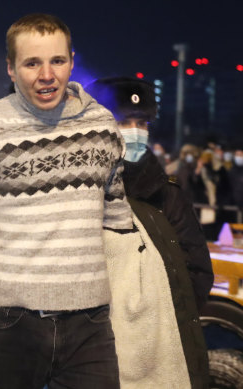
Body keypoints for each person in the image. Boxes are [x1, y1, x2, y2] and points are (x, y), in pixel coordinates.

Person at [0, 13, 133, 389]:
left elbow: (117, 218)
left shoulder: (102, 126)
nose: (47, 75)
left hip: (90, 324)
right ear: (11, 68)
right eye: (32, 63)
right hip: (12, 321)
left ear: (72, 61)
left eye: (57, 61)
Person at [85, 76, 213, 388]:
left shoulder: (168, 194)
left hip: (163, 356)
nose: (136, 131)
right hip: (99, 356)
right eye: (125, 121)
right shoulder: (78, 191)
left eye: (142, 123)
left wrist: (158, 325)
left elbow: (197, 270)